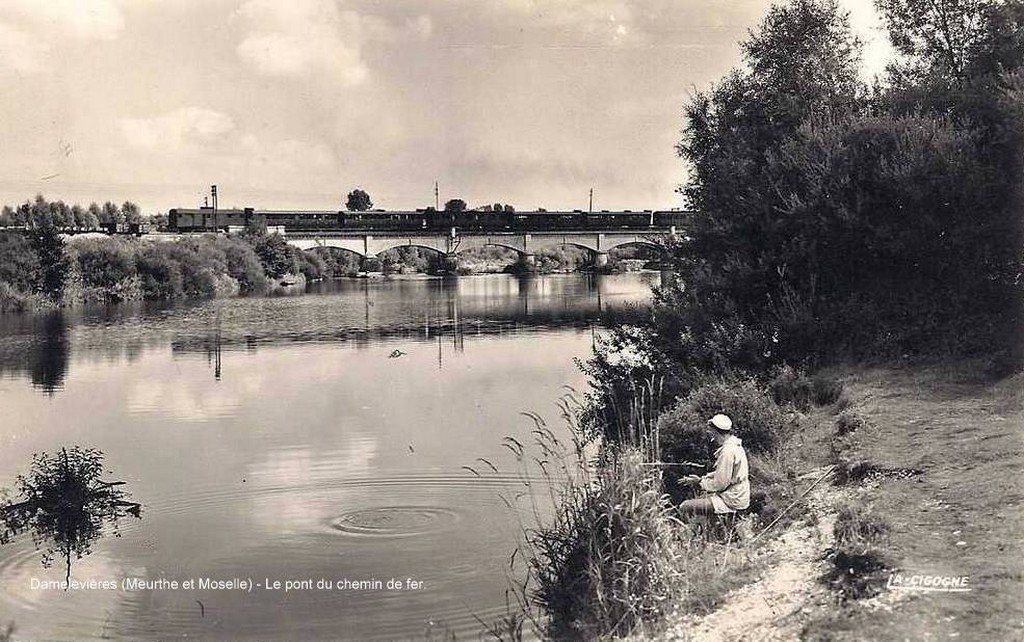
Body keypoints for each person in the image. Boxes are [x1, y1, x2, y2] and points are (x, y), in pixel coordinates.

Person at [678, 414, 750, 516]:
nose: (711, 435)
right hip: (739, 495)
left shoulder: (727, 451)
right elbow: (728, 474)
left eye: (711, 432)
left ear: (715, 432)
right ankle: (709, 529)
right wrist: (703, 478)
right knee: (701, 499)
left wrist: (699, 482)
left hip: (732, 500)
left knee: (685, 506)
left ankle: (693, 531)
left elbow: (720, 484)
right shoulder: (735, 445)